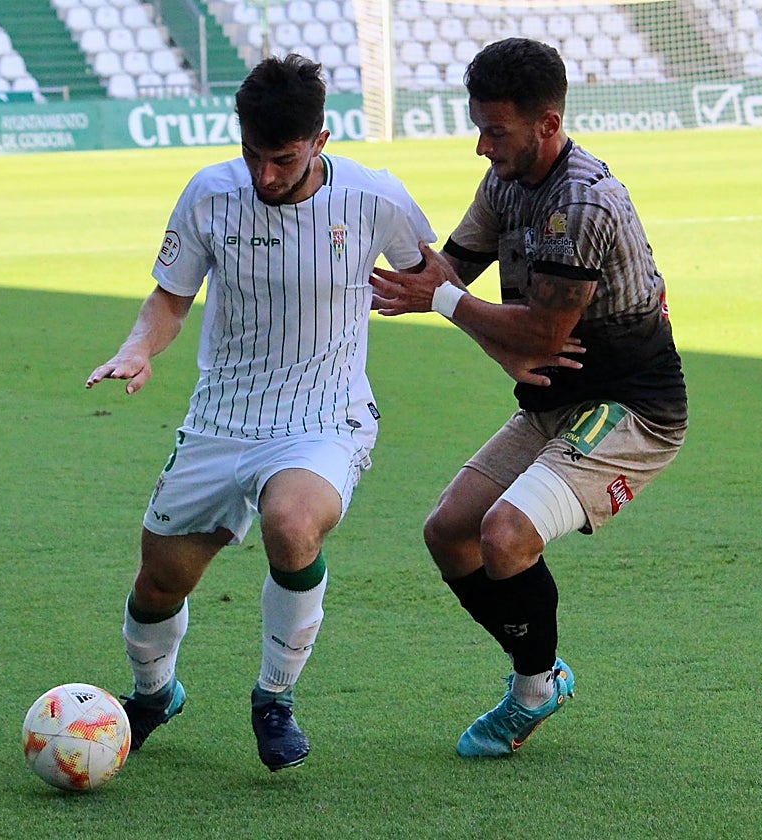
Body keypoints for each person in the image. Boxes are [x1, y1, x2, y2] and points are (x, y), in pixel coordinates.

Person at [86, 54, 434, 772]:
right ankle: (153, 694)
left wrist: (513, 322)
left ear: (321, 141)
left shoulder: (375, 198)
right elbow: (170, 299)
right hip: (222, 417)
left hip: (324, 415)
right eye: (253, 155)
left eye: (283, 159)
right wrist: (139, 349)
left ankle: (273, 699)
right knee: (159, 583)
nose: (266, 176)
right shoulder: (210, 194)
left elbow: (437, 273)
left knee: (292, 522)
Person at [370, 38, 687, 758]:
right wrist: (369, 240)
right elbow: (451, 267)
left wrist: (446, 302)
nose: (482, 146)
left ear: (548, 124)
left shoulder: (580, 201)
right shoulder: (508, 180)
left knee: (505, 535)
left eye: (496, 130)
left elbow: (541, 332)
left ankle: (536, 688)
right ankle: (541, 671)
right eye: (478, 126)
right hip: (558, 402)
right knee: (448, 533)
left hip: (632, 409)